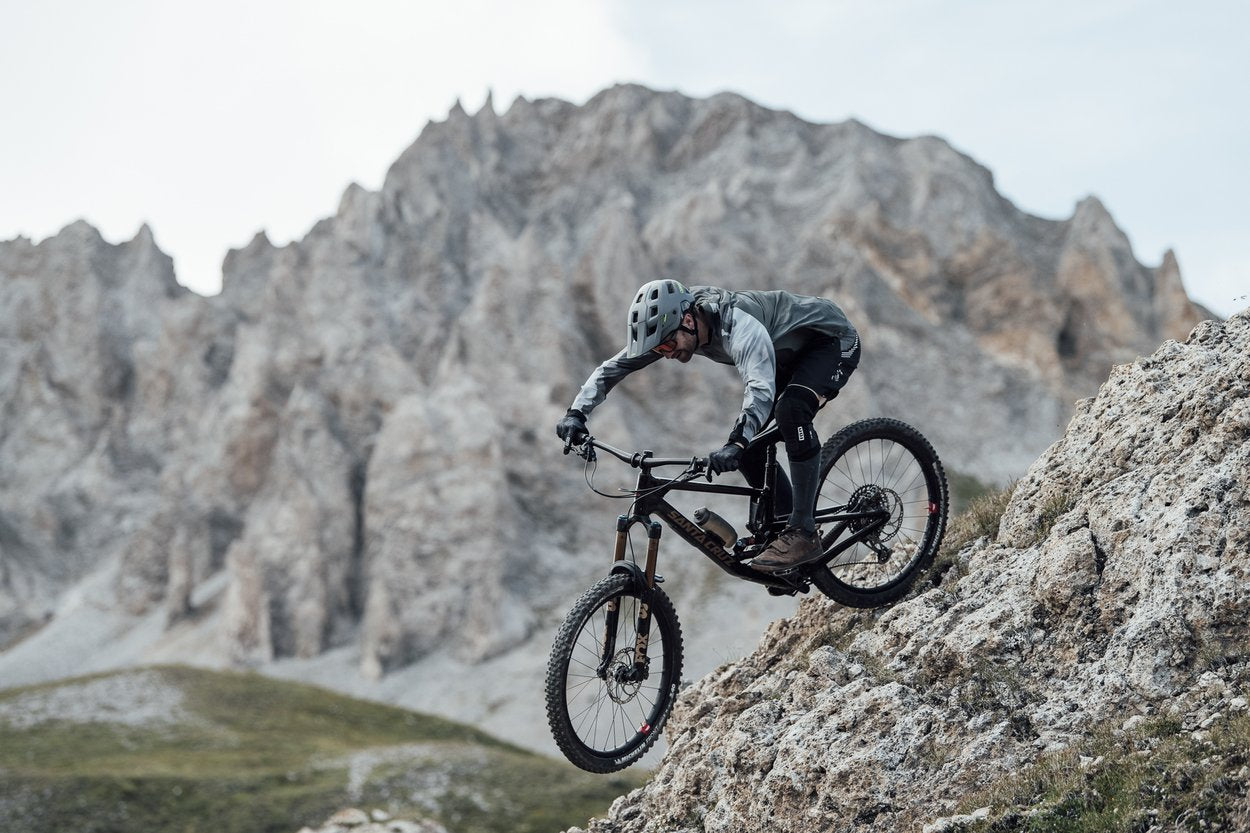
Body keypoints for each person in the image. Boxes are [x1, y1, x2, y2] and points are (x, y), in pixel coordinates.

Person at [555, 280, 861, 572]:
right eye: (660, 350)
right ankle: (782, 530)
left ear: (688, 319)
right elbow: (614, 367)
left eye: (668, 344)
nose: (667, 353)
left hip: (830, 341)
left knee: (791, 411)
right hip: (785, 356)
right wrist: (576, 412)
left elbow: (760, 388)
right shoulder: (676, 326)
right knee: (749, 448)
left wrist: (736, 441)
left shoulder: (738, 326)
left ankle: (804, 533)